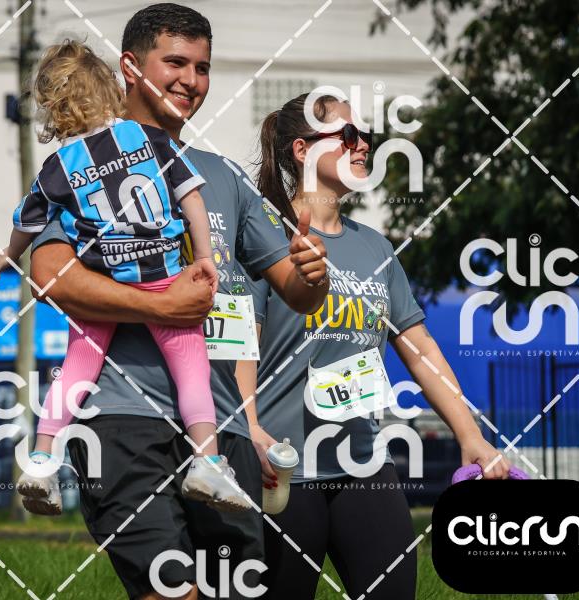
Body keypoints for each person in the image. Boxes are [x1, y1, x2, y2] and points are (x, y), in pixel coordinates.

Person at [27, 5, 329, 600]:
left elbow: (296, 292)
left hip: (221, 431)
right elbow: (50, 277)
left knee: (233, 593)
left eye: (202, 67)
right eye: (175, 63)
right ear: (131, 67)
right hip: (122, 422)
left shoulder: (223, 176)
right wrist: (160, 308)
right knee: (171, 593)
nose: (191, 80)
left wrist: (312, 273)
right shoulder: (83, 164)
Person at [237, 92, 511, 599]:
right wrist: (248, 429)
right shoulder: (262, 236)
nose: (362, 144)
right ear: (302, 149)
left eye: (366, 136)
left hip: (363, 464)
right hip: (282, 469)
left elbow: (419, 347)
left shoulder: (376, 247)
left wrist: (470, 435)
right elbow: (241, 346)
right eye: (347, 135)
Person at [0, 39, 254, 514]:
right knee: (192, 369)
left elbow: (28, 220)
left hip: (104, 283)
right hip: (162, 277)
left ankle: (42, 460)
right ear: (111, 88)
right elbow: (192, 196)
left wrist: (8, 254)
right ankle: (207, 462)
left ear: (53, 108)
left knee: (76, 369)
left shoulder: (58, 166)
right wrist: (205, 257)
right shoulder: (148, 139)